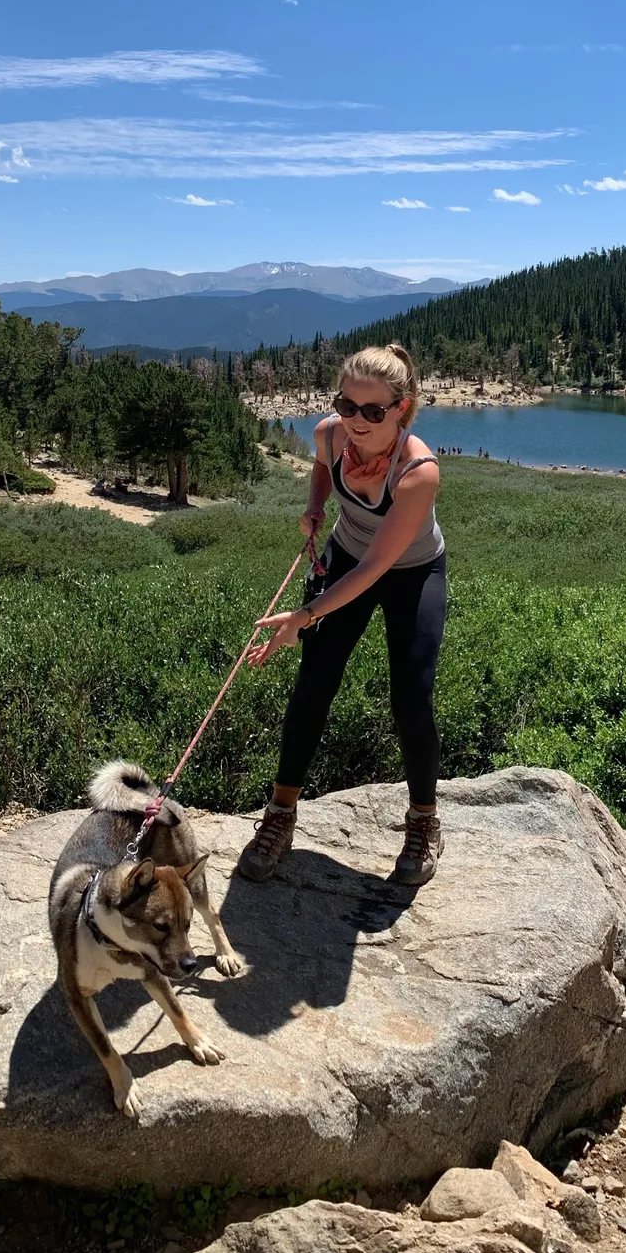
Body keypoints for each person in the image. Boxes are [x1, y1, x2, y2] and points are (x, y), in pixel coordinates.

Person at [239, 343, 447, 886]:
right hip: (346, 554)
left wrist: (304, 615)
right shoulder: (330, 433)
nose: (356, 420)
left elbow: (378, 568)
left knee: (410, 695)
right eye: (346, 405)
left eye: (373, 411)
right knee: (313, 684)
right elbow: (321, 471)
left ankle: (424, 821)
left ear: (401, 409)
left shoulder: (417, 471)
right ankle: (280, 815)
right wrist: (314, 507)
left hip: (410, 571)